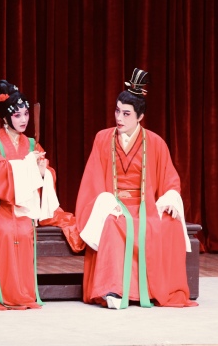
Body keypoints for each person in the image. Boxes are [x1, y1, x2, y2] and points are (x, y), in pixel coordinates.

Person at [75, 68, 198, 309]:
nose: (119, 118)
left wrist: (171, 199)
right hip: (114, 205)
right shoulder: (103, 138)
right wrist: (106, 203)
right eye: (117, 111)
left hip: (144, 206)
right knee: (112, 224)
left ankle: (155, 289)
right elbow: (93, 178)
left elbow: (170, 179)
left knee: (168, 224)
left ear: (140, 116)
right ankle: (111, 289)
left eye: (126, 113)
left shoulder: (155, 142)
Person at [0, 79, 82, 310]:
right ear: (5, 118)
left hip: (24, 204)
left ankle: (21, 292)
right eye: (17, 115)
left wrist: (44, 172)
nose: (24, 119)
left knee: (25, 231)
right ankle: (0, 292)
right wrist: (29, 167)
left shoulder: (31, 144)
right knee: (6, 232)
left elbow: (47, 171)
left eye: (26, 114)